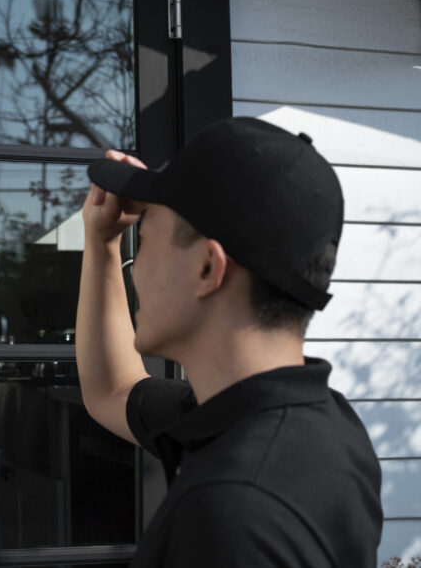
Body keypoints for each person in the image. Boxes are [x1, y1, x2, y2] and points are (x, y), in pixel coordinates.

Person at [75, 117, 382, 566]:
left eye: (143, 241)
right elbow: (112, 390)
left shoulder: (231, 515)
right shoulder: (322, 425)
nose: (135, 269)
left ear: (207, 268)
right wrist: (103, 240)